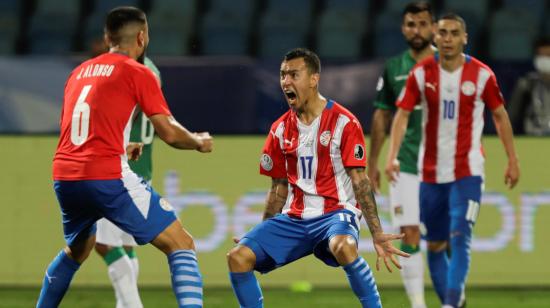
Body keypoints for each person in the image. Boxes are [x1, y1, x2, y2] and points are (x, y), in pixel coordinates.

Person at [36, 6, 213, 308]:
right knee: (181, 243)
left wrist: (120, 145)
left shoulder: (78, 73)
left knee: (79, 248)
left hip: (65, 176)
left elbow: (76, 130)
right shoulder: (137, 71)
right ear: (142, 37)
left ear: (107, 38)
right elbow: (168, 132)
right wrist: (197, 141)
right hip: (105, 177)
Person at [226, 48, 409, 308]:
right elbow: (278, 188)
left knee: (344, 247)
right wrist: (263, 230)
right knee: (238, 257)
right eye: (282, 75)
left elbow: (360, 180)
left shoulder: (345, 122)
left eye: (293, 74)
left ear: (314, 79)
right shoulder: (279, 129)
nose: (286, 81)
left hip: (335, 214)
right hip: (295, 218)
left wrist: (377, 233)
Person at [385, 14, 520, 308]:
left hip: (468, 171)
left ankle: (449, 303)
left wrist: (512, 159)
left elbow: (500, 115)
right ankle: (456, 302)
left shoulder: (482, 75)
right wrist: (392, 156)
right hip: (430, 174)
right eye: (443, 33)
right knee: (434, 245)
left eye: (454, 33)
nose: (447, 39)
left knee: (460, 236)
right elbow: (402, 114)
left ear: (464, 38)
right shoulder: (421, 73)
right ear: (436, 37)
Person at [368, 2, 435, 307]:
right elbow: (381, 117)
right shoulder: (394, 67)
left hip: (444, 163)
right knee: (408, 231)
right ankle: (418, 305)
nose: (416, 30)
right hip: (404, 162)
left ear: (432, 27)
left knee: (440, 236)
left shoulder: (448, 64)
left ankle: (452, 295)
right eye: (411, 24)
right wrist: (372, 163)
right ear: (403, 28)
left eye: (422, 24)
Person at [93, 56, 161, 308]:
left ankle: (133, 306)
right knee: (127, 246)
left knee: (104, 243)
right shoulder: (152, 70)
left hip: (117, 171)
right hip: (143, 170)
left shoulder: (124, 71)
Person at [508, 37, 550, 136]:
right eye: (541, 56)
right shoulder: (526, 83)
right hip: (534, 137)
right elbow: (511, 116)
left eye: (548, 56)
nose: (545, 60)